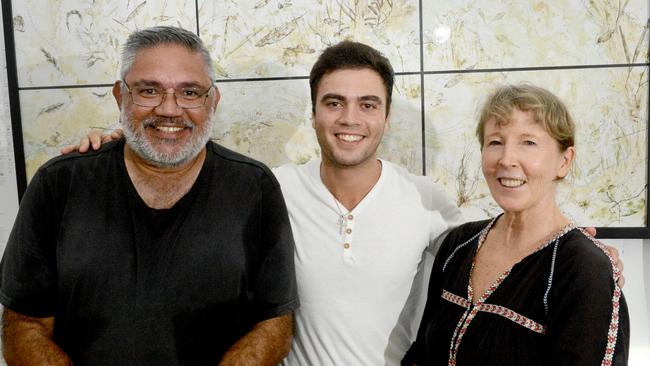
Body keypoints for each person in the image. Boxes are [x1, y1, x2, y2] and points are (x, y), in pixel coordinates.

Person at [63, 42, 623, 365]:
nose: (350, 120)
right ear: (313, 114)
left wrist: (577, 248)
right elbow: (178, 169)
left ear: (385, 117)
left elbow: (515, 228)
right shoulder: (267, 189)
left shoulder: (431, 206)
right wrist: (118, 145)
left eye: (367, 104)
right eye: (334, 103)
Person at [0, 26, 298, 366]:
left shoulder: (255, 187)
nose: (169, 109)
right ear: (120, 96)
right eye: (149, 90)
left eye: (189, 92)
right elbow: (22, 326)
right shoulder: (59, 184)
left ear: (212, 100)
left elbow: (275, 324)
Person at [402, 84, 629, 365]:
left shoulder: (584, 268)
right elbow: (423, 354)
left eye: (528, 142)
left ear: (564, 161)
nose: (507, 159)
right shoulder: (458, 244)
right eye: (495, 142)